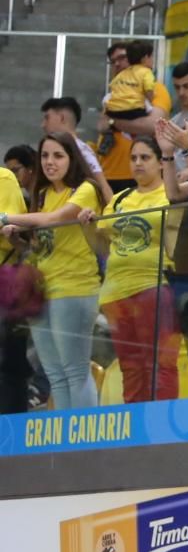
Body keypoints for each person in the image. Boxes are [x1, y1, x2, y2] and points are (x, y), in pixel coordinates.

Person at [2, 133, 103, 408]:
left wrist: (6, 217)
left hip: (75, 287)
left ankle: (85, 439)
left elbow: (55, 220)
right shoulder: (43, 195)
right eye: (45, 156)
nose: (50, 162)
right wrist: (16, 240)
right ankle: (65, 442)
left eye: (58, 155)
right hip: (42, 292)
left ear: (72, 158)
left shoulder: (85, 189)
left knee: (75, 371)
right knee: (55, 375)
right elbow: (38, 249)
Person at [86, 136, 181, 403]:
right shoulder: (118, 199)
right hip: (116, 292)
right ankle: (135, 427)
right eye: (133, 158)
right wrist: (87, 227)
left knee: (160, 362)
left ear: (161, 162)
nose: (138, 163)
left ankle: (162, 425)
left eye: (145, 157)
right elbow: (102, 249)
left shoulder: (172, 193)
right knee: (131, 366)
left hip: (156, 286)